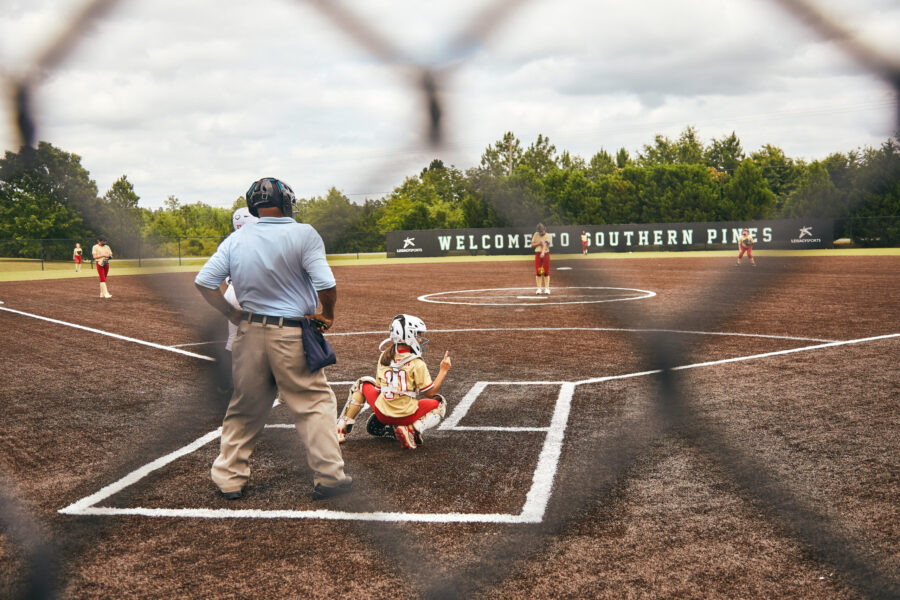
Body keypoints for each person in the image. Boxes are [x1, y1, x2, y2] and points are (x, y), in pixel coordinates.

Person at [194, 177, 351, 501]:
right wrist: (327, 313)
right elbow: (326, 284)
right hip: (291, 333)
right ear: (287, 203)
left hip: (249, 334)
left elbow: (205, 281)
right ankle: (329, 477)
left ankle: (229, 479)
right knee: (314, 404)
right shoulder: (304, 234)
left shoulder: (237, 239)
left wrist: (231, 313)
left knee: (245, 406)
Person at [336, 314, 450, 450]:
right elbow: (429, 392)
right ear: (408, 336)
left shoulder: (384, 356)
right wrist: (443, 370)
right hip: (406, 417)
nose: (420, 339)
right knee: (440, 402)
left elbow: (378, 390)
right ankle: (412, 429)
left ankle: (340, 429)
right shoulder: (417, 363)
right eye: (418, 335)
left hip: (382, 415)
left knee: (363, 383)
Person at [531, 223, 552, 294]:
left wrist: (543, 252)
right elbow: (532, 245)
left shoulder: (548, 236)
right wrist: (539, 243)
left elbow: (545, 245)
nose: (541, 233)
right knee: (538, 271)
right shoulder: (536, 234)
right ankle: (539, 289)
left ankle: (547, 289)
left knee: (546, 271)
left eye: (542, 231)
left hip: (545, 254)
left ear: (544, 229)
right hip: (537, 254)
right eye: (539, 232)